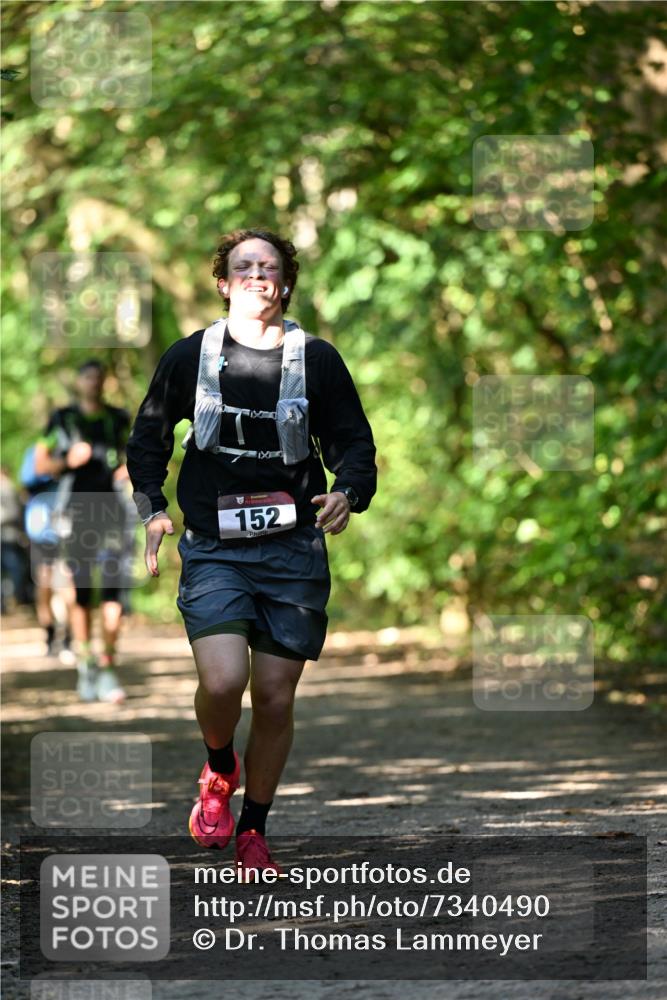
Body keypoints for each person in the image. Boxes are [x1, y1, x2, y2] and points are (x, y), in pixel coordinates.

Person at [126, 228, 376, 876]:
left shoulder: (315, 358)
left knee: (272, 698)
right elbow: (148, 438)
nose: (257, 276)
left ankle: (252, 831)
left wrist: (348, 492)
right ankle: (217, 767)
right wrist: (153, 509)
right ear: (222, 281)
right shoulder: (192, 356)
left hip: (293, 549)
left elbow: (353, 441)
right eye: (244, 267)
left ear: (285, 282)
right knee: (222, 680)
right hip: (214, 546)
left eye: (268, 267)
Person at [34, 360, 131, 703]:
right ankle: (86, 663)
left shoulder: (118, 418)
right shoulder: (63, 418)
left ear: (105, 382)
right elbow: (40, 464)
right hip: (74, 512)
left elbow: (132, 459)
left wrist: (127, 474)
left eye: (99, 377)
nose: (94, 382)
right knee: (81, 591)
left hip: (112, 512)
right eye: (88, 376)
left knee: (113, 592)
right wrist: (68, 461)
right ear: (79, 381)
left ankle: (107, 665)